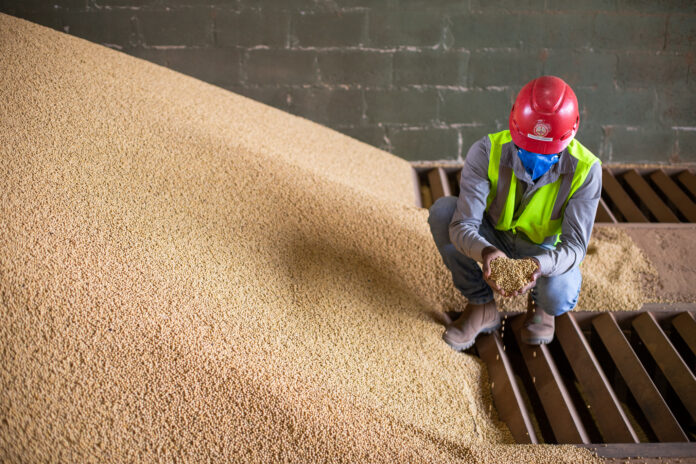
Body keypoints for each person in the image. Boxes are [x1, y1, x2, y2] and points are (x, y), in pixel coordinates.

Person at [428, 75, 601, 350]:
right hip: (493, 236)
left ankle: (542, 309)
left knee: (561, 291)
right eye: (527, 150)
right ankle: (481, 306)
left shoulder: (586, 170)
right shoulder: (487, 151)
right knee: (443, 213)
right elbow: (463, 225)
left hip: (543, 250)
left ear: (572, 133)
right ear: (514, 124)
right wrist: (486, 253)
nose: (536, 159)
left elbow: (576, 247)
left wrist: (538, 266)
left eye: (548, 153)